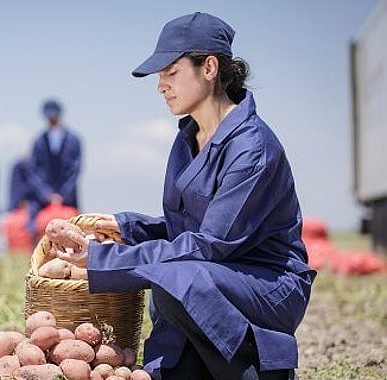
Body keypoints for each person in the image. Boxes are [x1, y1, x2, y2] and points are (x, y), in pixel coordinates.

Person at [52, 12, 315, 380]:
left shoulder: (252, 149)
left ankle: (261, 370)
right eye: (160, 76)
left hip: (267, 285)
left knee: (177, 276)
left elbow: (209, 245)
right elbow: (183, 231)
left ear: (209, 68)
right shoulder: (187, 138)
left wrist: (104, 260)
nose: (161, 85)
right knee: (174, 280)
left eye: (171, 72)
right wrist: (127, 228)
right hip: (215, 275)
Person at [26, 98, 82, 237]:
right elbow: (34, 171)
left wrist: (62, 195)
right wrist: (47, 194)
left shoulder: (73, 139)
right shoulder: (39, 141)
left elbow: (74, 170)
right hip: (43, 197)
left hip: (67, 196)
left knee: (73, 228)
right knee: (37, 230)